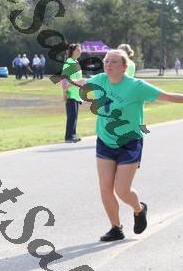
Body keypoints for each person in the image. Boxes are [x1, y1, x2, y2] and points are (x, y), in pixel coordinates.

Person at [67, 49, 183, 241]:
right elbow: (84, 82)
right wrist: (70, 79)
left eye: (113, 62)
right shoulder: (100, 80)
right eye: (106, 61)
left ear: (124, 67)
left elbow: (168, 96)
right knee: (105, 188)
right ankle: (116, 228)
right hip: (105, 141)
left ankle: (139, 209)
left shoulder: (137, 86)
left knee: (122, 190)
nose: (108, 65)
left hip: (129, 142)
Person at [62, 44, 82, 143]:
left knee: (74, 116)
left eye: (80, 49)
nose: (80, 51)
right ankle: (68, 137)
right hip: (71, 93)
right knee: (71, 116)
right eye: (78, 50)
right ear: (72, 51)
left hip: (76, 94)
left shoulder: (76, 62)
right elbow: (65, 79)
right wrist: (65, 91)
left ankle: (73, 135)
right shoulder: (69, 62)